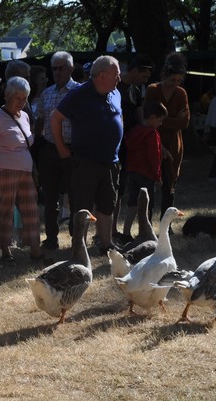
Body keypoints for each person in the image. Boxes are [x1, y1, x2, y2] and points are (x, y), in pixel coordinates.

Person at [51, 55, 123, 254]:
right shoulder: (79, 94)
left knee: (108, 204)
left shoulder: (115, 93)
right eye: (116, 73)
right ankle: (78, 247)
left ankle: (106, 245)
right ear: (100, 75)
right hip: (85, 162)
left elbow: (119, 117)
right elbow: (55, 119)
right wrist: (62, 149)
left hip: (110, 161)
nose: (119, 77)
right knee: (82, 207)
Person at [0, 76, 44, 263]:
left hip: (25, 170)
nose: (22, 103)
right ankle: (6, 251)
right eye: (18, 98)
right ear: (7, 96)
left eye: (24, 98)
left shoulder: (24, 116)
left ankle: (35, 250)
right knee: (5, 211)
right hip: (3, 169)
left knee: (31, 210)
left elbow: (27, 142)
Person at [34, 51, 80, 250]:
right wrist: (37, 146)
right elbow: (40, 120)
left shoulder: (79, 92)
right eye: (54, 68)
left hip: (73, 149)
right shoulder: (47, 93)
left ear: (70, 68)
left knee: (75, 195)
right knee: (50, 196)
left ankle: (76, 237)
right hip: (50, 150)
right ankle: (51, 238)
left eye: (61, 68)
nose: (57, 72)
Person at [144, 53, 189, 215]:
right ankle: (146, 223)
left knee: (169, 185)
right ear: (164, 76)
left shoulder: (181, 93)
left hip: (173, 145)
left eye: (179, 81)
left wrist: (161, 119)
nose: (175, 84)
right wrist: (173, 119)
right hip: (152, 142)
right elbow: (148, 118)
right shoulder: (152, 90)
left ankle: (166, 223)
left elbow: (184, 122)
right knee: (148, 184)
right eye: (172, 80)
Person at [118, 54, 154, 239]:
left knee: (122, 186)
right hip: (114, 143)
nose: (145, 80)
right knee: (115, 188)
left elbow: (140, 120)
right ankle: (107, 231)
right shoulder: (114, 87)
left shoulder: (137, 91)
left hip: (130, 145)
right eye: (144, 76)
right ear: (134, 70)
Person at [123, 101, 168, 223]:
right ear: (153, 117)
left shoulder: (133, 132)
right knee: (147, 205)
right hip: (147, 174)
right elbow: (154, 157)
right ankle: (145, 231)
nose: (160, 124)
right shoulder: (152, 134)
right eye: (160, 120)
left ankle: (126, 232)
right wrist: (158, 176)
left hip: (132, 172)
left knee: (132, 205)